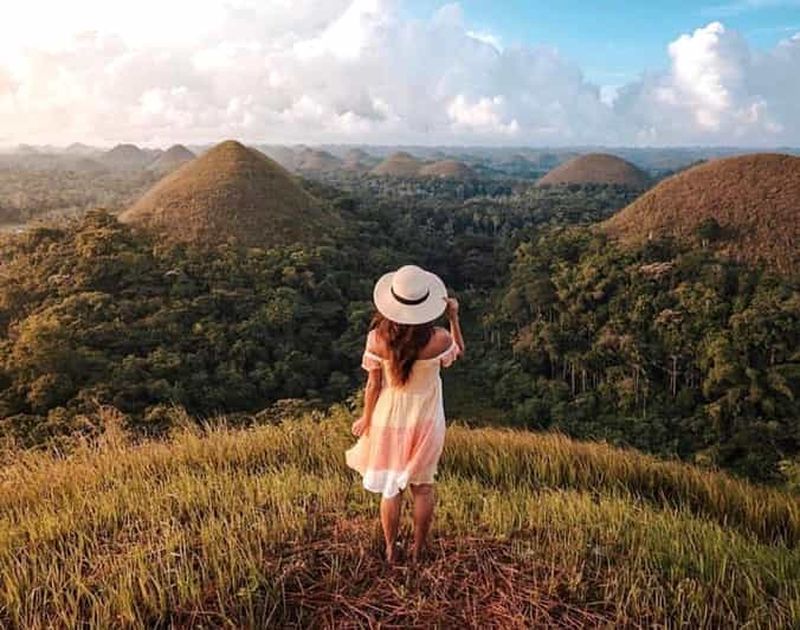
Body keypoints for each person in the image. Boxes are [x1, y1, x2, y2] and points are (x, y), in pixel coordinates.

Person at [345, 264, 465, 564]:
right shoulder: (440, 339)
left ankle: (391, 549)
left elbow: (373, 385)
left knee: (391, 488)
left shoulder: (377, 339)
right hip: (426, 419)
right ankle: (418, 550)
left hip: (388, 418)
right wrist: (453, 317)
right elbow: (459, 351)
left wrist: (366, 418)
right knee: (422, 488)